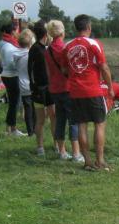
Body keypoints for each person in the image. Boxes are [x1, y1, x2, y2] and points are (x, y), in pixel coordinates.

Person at [62, 14, 113, 170]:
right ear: (89, 27)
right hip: (93, 90)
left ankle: (88, 162)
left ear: (76, 28)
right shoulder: (94, 43)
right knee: (100, 124)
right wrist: (110, 87)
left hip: (75, 92)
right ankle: (100, 160)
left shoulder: (67, 46)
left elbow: (64, 70)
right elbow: (104, 67)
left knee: (81, 125)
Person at [45, 20, 81, 161]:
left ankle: (62, 152)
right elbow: (70, 69)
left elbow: (49, 72)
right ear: (62, 32)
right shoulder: (65, 48)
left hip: (54, 89)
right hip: (67, 88)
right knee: (73, 121)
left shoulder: (48, 50)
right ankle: (76, 153)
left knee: (60, 120)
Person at [28, 20, 56, 157]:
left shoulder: (32, 49)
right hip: (47, 89)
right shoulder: (44, 51)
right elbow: (48, 72)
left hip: (36, 89)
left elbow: (30, 70)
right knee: (53, 117)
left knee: (40, 120)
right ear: (46, 35)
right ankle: (57, 146)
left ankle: (40, 148)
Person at [0, 23, 25, 136]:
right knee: (14, 103)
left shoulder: (4, 43)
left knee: (13, 103)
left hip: (7, 75)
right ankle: (12, 130)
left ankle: (9, 129)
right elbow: (10, 63)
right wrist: (21, 65)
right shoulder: (9, 46)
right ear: (13, 31)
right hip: (12, 76)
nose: (18, 33)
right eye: (16, 30)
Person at [14, 29, 36, 139]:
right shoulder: (30, 55)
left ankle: (30, 131)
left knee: (27, 109)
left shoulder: (16, 55)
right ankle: (35, 130)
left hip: (22, 85)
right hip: (32, 84)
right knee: (35, 109)